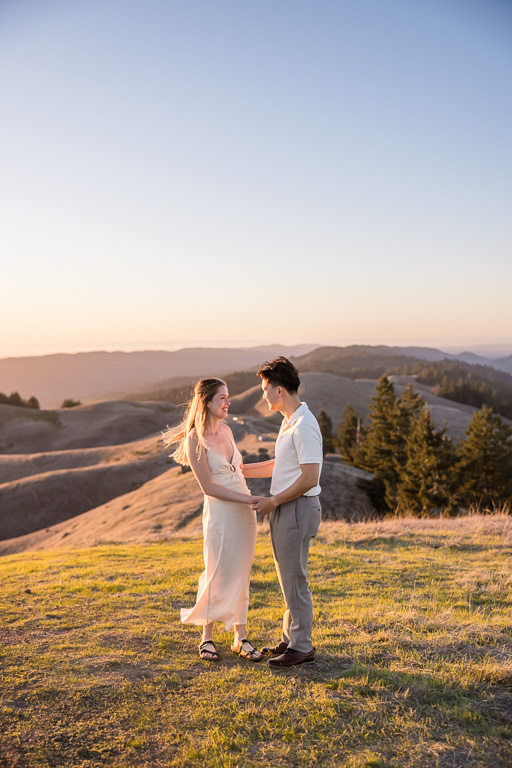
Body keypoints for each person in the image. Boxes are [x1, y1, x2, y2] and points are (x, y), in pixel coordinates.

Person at [163, 378, 263, 662]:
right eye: (222, 398)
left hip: (246, 513)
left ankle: (240, 638)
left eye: (228, 397)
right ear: (206, 401)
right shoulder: (195, 438)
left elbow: (240, 470)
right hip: (221, 512)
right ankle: (206, 637)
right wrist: (247, 499)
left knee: (242, 572)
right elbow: (208, 486)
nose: (228, 402)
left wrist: (281, 470)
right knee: (216, 568)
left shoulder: (229, 431)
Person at [244, 357, 323, 667]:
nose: (263, 395)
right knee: (287, 578)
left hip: (296, 509)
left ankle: (302, 647)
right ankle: (291, 638)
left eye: (265, 389)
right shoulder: (289, 422)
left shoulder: (304, 426)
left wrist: (273, 502)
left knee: (294, 579)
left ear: (279, 390)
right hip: (287, 508)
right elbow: (281, 466)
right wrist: (238, 470)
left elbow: (309, 477)